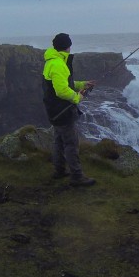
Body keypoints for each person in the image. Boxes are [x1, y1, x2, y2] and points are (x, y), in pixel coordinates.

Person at [42, 33, 96, 187]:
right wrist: (77, 97)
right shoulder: (58, 64)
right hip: (62, 111)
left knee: (59, 141)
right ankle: (77, 176)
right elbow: (62, 91)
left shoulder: (52, 62)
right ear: (68, 46)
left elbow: (65, 84)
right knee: (71, 143)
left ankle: (59, 171)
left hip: (53, 110)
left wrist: (82, 84)